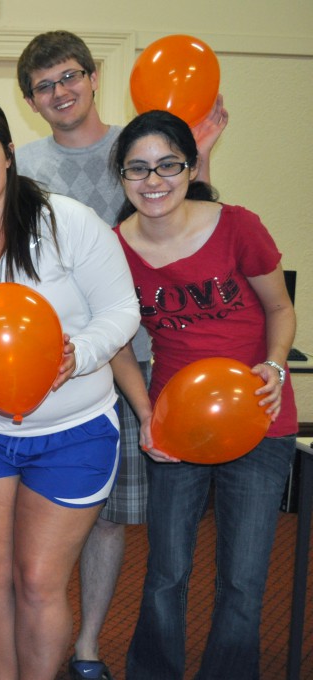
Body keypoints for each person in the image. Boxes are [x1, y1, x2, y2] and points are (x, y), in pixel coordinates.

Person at [14, 30, 228, 679]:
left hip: (133, 359)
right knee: (37, 522)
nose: (60, 92)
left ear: (94, 75)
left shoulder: (139, 145)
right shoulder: (22, 164)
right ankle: (31, 642)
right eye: (45, 85)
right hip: (47, 372)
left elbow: (193, 221)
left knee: (109, 522)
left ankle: (86, 650)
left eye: (70, 76)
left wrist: (206, 154)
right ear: (31, 98)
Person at [0, 98, 140, 680]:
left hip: (74, 433)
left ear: (9, 155)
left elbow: (122, 309)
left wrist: (79, 356)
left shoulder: (66, 221)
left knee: (40, 581)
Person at [110, 111, 297, 680]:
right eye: (137, 169)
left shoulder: (238, 226)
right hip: (176, 425)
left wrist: (274, 365)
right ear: (121, 177)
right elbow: (118, 344)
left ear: (190, 169)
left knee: (243, 578)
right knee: (166, 571)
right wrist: (147, 417)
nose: (153, 180)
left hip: (261, 420)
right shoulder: (116, 248)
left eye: (168, 165)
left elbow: (280, 309)